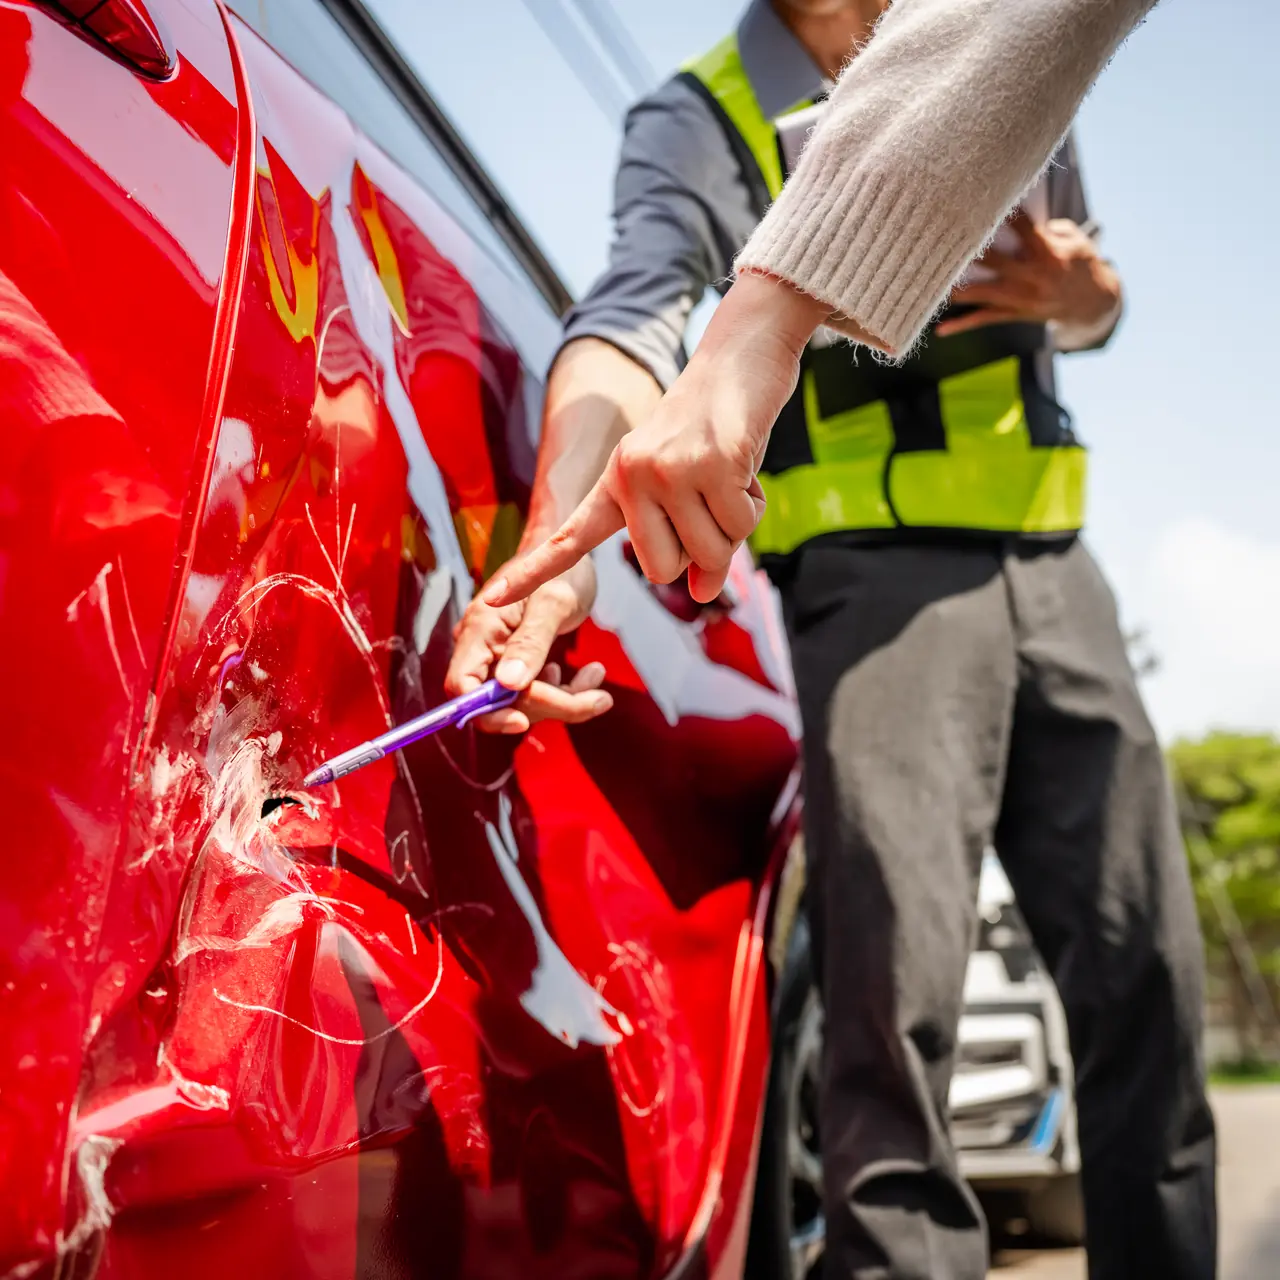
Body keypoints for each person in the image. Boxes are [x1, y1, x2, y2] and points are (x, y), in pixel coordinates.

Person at [448, 4, 1217, 1280]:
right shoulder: (699, 114)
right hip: (869, 593)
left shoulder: (980, 38)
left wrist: (1086, 298)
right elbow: (631, 314)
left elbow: (1087, 302)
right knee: (887, 1030)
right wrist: (561, 534)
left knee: (1150, 999)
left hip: (1054, 566)